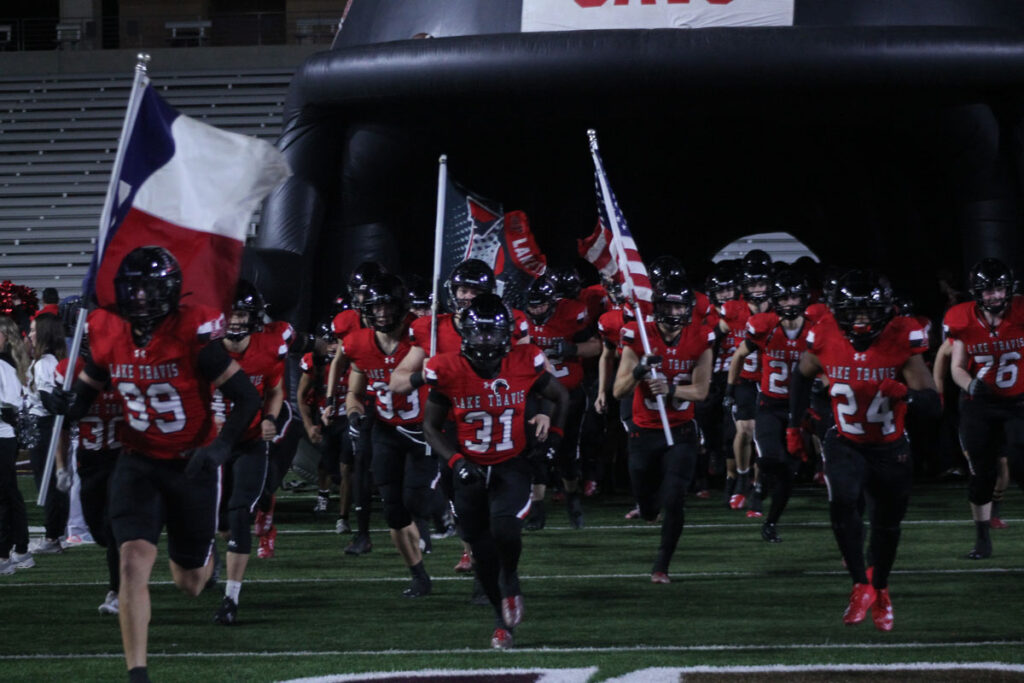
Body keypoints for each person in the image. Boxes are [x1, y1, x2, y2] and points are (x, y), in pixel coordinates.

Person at [51, 246, 261, 683]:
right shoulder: (107, 329)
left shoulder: (191, 333)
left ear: (168, 291)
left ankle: (205, 555)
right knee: (131, 562)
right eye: (134, 289)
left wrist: (220, 449)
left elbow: (247, 398)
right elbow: (89, 391)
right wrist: (67, 405)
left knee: (191, 583)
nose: (141, 299)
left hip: (192, 464)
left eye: (149, 289)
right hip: (138, 461)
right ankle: (138, 674)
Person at [789, 270, 939, 632]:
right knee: (842, 502)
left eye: (868, 312)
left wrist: (906, 394)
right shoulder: (823, 331)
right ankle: (860, 584)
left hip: (890, 448)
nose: (860, 320)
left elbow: (932, 405)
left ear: (884, 312)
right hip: (845, 440)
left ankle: (881, 589)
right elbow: (801, 374)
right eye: (853, 312)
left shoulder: (902, 335)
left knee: (887, 526)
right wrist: (795, 424)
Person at [422, 293, 568, 649]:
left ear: (506, 335)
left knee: (505, 529)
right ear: (465, 333)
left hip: (510, 464)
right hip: (469, 468)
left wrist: (554, 437)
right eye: (478, 332)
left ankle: (512, 580)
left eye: (491, 333)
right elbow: (430, 427)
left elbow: (561, 396)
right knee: (481, 553)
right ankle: (500, 621)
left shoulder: (525, 359)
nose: (485, 340)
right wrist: (457, 462)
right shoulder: (448, 368)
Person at [338, 273, 436, 597]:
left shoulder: (422, 334)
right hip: (386, 429)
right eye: (374, 307)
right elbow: (355, 393)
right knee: (393, 512)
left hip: (423, 429)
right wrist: (353, 415)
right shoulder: (358, 343)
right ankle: (418, 575)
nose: (380, 313)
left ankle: (445, 516)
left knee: (417, 500)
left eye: (386, 306)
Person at [613, 274, 713, 583]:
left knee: (674, 498)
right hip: (644, 431)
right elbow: (619, 390)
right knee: (646, 504)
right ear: (657, 308)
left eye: (678, 307)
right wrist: (640, 370)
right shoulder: (638, 335)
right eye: (667, 308)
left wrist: (669, 389)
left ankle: (661, 565)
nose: (673, 314)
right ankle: (646, 509)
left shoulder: (700, 338)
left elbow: (701, 391)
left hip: (681, 430)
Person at [210, 280, 293, 625]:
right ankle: (208, 561)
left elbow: (275, 389)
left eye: (240, 313)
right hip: (211, 446)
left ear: (253, 316)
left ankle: (231, 598)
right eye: (229, 313)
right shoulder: (205, 349)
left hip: (248, 441)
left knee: (239, 511)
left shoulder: (269, 346)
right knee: (217, 521)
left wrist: (271, 416)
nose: (234, 320)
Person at [943, 258, 1024, 559]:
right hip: (980, 404)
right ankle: (982, 540)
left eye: (999, 289)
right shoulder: (961, 319)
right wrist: (969, 384)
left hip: (1018, 402)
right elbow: (957, 366)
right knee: (981, 473)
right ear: (977, 293)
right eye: (987, 291)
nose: (994, 296)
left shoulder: (1020, 312)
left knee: (1020, 459)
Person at [729, 270, 812, 541]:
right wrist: (732, 387)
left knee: (788, 472)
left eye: (794, 297)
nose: (789, 303)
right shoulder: (764, 325)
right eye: (784, 298)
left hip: (799, 410)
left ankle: (771, 523)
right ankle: (758, 486)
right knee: (769, 459)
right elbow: (739, 355)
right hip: (769, 404)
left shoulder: (814, 329)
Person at [522, 276, 601, 529]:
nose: (536, 310)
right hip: (537, 396)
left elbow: (596, 346)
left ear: (552, 303)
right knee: (535, 452)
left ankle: (572, 498)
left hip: (569, 395)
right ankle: (537, 509)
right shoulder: (520, 322)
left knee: (566, 453)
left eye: (541, 305)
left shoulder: (571, 314)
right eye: (532, 306)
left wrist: (571, 350)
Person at [54, 338, 122, 613]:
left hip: (123, 458)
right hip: (89, 459)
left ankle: (116, 591)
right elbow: (63, 424)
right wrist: (61, 467)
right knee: (100, 531)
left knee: (116, 528)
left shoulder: (126, 367)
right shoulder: (70, 370)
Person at [721, 256, 773, 511]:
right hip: (743, 379)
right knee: (745, 430)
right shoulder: (732, 310)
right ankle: (742, 479)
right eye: (753, 285)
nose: (758, 290)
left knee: (764, 437)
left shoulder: (780, 311)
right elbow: (711, 337)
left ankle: (758, 483)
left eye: (762, 283)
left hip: (772, 383)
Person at [26, 313, 68, 553]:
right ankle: (55, 534)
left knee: (48, 484)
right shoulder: (51, 360)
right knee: (52, 482)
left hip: (44, 425)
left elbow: (48, 400)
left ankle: (52, 537)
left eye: (34, 330)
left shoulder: (44, 364)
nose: (30, 334)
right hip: (48, 424)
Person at [0, 315, 33, 575]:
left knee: (5, 496)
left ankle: (6, 554)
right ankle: (20, 550)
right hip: (4, 435)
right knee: (9, 495)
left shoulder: (5, 365)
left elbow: (11, 403)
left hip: (3, 436)